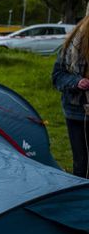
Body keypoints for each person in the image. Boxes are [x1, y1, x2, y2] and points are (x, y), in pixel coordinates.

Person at [52, 13, 89, 178]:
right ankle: (81, 197)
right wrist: (76, 82)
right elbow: (57, 76)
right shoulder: (70, 47)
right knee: (81, 160)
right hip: (76, 112)